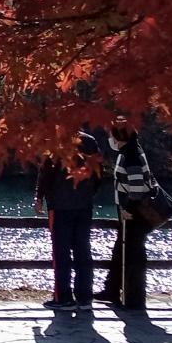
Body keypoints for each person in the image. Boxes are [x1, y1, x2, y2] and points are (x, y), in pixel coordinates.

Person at [34, 131, 102, 311]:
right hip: (84, 205)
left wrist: (40, 197)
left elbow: (46, 173)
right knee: (83, 251)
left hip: (60, 206)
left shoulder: (55, 141)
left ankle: (63, 297)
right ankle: (85, 297)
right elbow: (99, 173)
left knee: (61, 253)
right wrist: (88, 194)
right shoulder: (90, 141)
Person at [94, 120, 154, 309]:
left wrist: (128, 208)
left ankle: (133, 296)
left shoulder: (132, 154)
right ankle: (112, 289)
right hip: (128, 212)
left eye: (112, 135)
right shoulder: (129, 151)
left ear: (119, 137)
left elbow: (136, 186)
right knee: (121, 250)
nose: (110, 139)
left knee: (132, 253)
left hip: (133, 214)